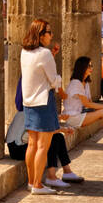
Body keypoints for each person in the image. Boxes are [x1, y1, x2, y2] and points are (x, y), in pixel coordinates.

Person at [6, 80, 85, 191]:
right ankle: (51, 176)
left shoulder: (36, 109)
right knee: (52, 140)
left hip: (22, 143)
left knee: (58, 137)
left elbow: (43, 128)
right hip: (16, 147)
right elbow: (29, 136)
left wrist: (60, 126)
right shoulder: (32, 110)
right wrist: (61, 129)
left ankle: (67, 171)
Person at [20, 17, 68, 194]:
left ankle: (32, 182)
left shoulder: (25, 51)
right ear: (40, 35)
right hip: (43, 101)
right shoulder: (45, 54)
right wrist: (61, 81)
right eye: (48, 32)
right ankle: (38, 185)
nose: (51, 35)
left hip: (29, 102)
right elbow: (53, 80)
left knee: (32, 144)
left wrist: (52, 57)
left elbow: (37, 70)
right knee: (42, 146)